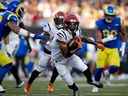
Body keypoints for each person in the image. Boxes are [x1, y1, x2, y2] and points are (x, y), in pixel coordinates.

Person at [50, 14, 104, 96]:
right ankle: (75, 89)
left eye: (75, 24)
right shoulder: (61, 34)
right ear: (66, 24)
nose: (73, 26)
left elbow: (82, 38)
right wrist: (77, 48)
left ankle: (90, 80)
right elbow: (65, 54)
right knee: (70, 83)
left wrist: (96, 44)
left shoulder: (77, 30)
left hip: (70, 56)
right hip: (59, 60)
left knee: (85, 68)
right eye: (70, 24)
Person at [24, 11, 65, 95]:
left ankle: (51, 84)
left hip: (57, 52)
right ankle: (29, 84)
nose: (59, 22)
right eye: (57, 20)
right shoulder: (49, 26)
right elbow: (42, 41)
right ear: (54, 20)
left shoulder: (65, 29)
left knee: (58, 67)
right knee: (39, 68)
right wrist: (48, 42)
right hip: (47, 51)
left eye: (60, 20)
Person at [0, 0, 36, 93]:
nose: (23, 11)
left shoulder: (7, 15)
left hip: (3, 42)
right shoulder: (10, 16)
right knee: (7, 63)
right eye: (21, 9)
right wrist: (32, 36)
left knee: (8, 63)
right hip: (7, 42)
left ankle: (17, 81)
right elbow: (16, 29)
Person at [92, 4, 127, 92]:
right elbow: (98, 40)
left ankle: (107, 73)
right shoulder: (99, 23)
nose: (110, 17)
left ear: (114, 15)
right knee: (99, 68)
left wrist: (123, 44)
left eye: (111, 15)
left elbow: (123, 33)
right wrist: (107, 39)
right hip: (102, 48)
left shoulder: (118, 21)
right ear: (105, 14)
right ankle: (96, 84)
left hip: (113, 47)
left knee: (115, 67)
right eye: (108, 15)